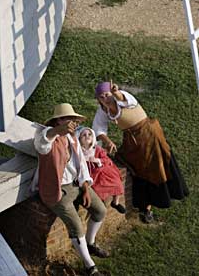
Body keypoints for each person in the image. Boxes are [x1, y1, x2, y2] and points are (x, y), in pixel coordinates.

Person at [92, 81, 189, 223]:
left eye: (107, 95)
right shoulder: (103, 110)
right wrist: (107, 141)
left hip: (150, 136)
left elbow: (123, 99)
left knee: (155, 168)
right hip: (132, 142)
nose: (105, 99)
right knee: (137, 169)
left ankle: (157, 202)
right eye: (101, 97)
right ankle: (144, 207)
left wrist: (116, 93)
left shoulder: (124, 98)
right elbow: (98, 128)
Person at [33, 103, 109, 276]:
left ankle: (90, 244)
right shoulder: (47, 135)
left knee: (100, 211)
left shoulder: (73, 137)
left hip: (77, 185)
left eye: (73, 119)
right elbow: (42, 143)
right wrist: (57, 130)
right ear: (58, 121)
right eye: (67, 119)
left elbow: (81, 164)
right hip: (57, 189)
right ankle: (90, 266)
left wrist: (86, 188)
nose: (72, 122)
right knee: (76, 226)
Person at [77, 126, 126, 214]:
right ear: (79, 139)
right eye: (83, 135)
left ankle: (115, 202)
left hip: (104, 170)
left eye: (89, 134)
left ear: (93, 138)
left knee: (117, 183)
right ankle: (100, 203)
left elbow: (106, 160)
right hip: (92, 174)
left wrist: (97, 160)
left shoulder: (97, 149)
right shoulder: (79, 152)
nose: (87, 136)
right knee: (97, 188)